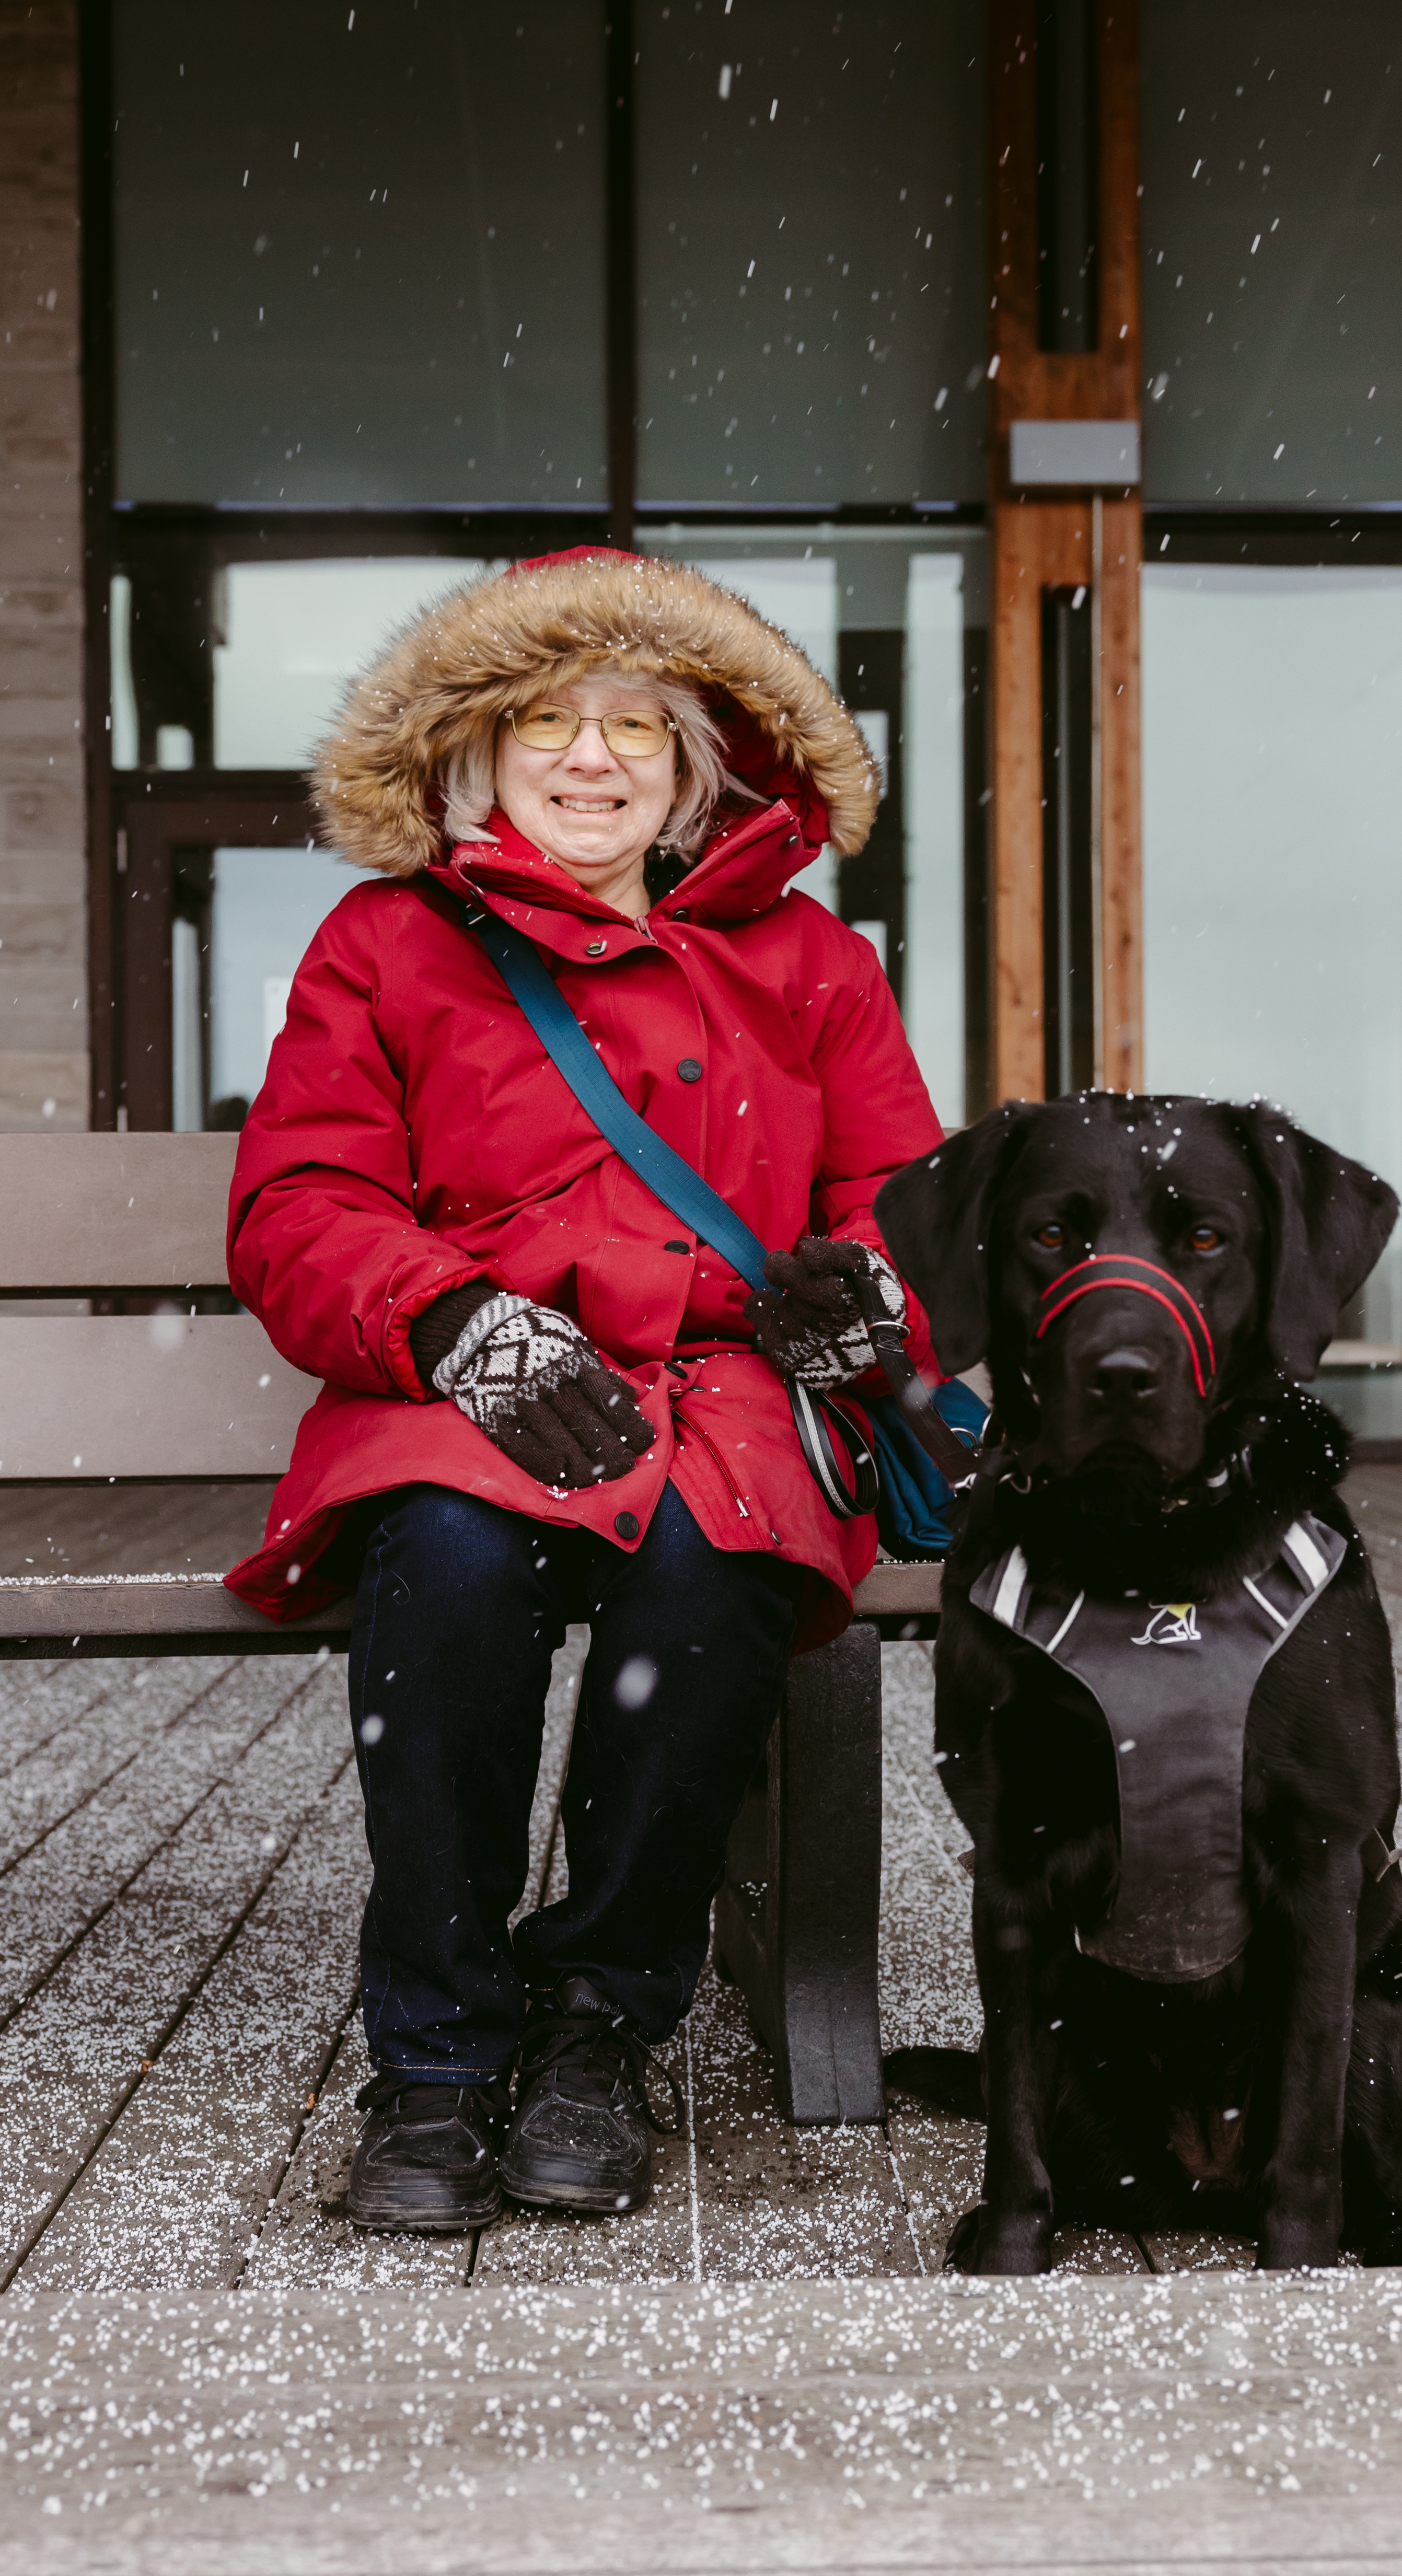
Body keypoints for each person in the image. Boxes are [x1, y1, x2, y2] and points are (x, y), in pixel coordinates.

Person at [225, 547, 944, 2234]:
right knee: (453, 1574)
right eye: (547, 715)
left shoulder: (813, 965)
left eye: (640, 721)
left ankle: (600, 2024)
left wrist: (868, 1301)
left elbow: (898, 1207)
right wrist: (457, 1324)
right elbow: (300, 1207)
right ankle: (441, 2048)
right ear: (476, 756)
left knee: (713, 1582)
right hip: (476, 1378)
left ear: (703, 762)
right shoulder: (387, 944)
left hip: (724, 1390)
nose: (592, 754)